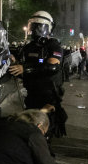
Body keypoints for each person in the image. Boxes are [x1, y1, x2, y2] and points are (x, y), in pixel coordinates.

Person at [9, 11, 67, 139]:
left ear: (46, 27)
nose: (34, 30)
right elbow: (20, 67)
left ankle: (44, 154)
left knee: (41, 132)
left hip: (48, 96)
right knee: (28, 129)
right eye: (33, 26)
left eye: (38, 27)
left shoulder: (53, 45)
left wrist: (25, 68)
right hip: (31, 94)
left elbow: (52, 67)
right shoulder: (28, 47)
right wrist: (12, 63)